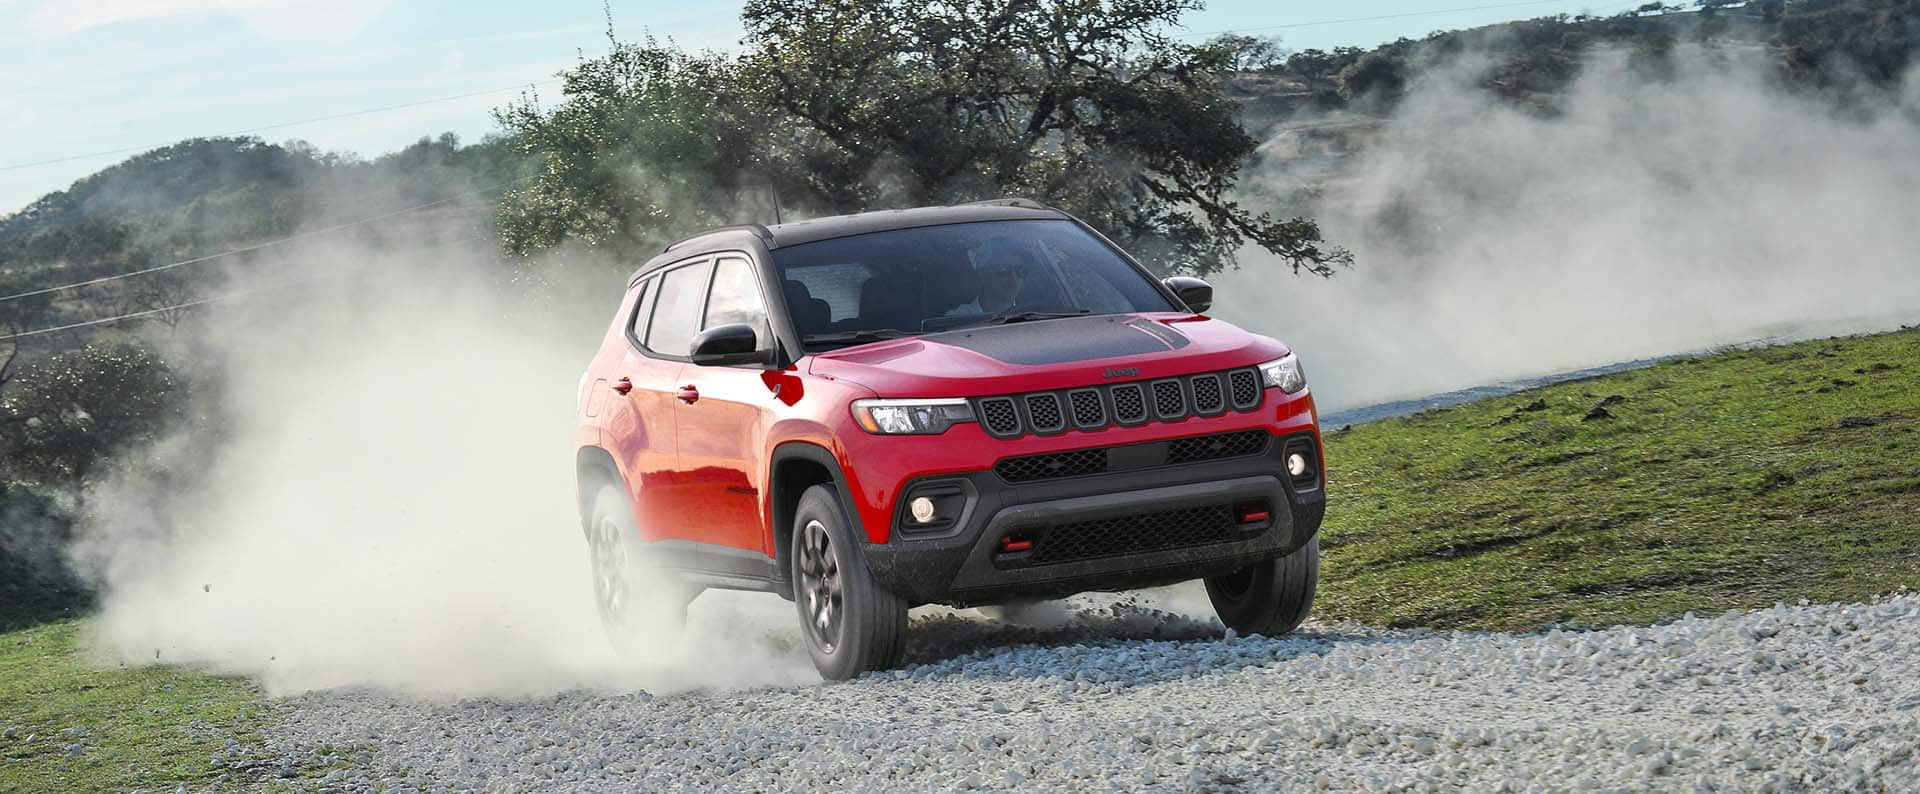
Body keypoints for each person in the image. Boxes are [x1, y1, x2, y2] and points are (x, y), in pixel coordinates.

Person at [946, 239, 1026, 316]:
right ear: (983, 274)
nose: (1014, 278)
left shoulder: (1032, 315)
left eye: (1020, 271)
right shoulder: (957, 320)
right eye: (1003, 270)